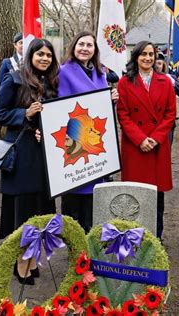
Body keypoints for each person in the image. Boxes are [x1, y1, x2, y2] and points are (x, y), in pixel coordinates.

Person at [0, 38, 58, 284]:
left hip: (44, 155)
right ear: (30, 55)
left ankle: (32, 257)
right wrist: (25, 114)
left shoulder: (52, 83)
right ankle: (20, 262)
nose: (44, 58)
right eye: (40, 54)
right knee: (23, 210)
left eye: (49, 55)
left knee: (40, 208)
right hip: (21, 156)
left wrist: (44, 128)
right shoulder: (14, 79)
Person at [57, 30, 118, 233]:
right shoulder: (64, 71)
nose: (85, 48)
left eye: (89, 45)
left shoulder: (100, 73)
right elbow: (60, 108)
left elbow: (101, 111)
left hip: (95, 145)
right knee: (74, 199)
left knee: (93, 202)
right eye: (81, 44)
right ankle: (74, 246)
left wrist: (112, 100)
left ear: (95, 50)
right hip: (75, 144)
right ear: (74, 46)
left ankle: (90, 241)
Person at [116, 40, 176, 240]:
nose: (148, 58)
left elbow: (170, 114)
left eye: (151, 54)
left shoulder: (165, 81)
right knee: (134, 194)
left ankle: (156, 237)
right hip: (135, 147)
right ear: (136, 57)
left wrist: (155, 139)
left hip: (157, 146)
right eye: (144, 54)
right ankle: (133, 236)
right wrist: (140, 139)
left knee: (157, 195)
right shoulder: (125, 82)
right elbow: (123, 115)